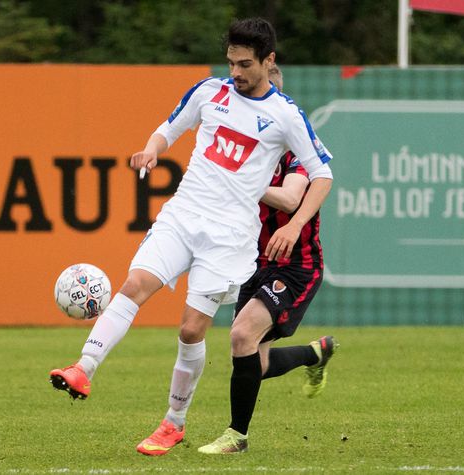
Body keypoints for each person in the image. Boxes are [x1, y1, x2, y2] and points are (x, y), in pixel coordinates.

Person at [48, 17, 334, 456]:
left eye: (244, 64)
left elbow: (322, 175)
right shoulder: (209, 92)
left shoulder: (285, 115)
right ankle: (83, 367)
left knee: (190, 330)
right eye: (231, 63)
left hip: (229, 238)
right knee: (134, 285)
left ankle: (173, 423)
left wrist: (295, 225)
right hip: (182, 215)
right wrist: (152, 149)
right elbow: (170, 128)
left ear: (268, 60)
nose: (235, 73)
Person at [197, 65, 336, 455]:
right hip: (254, 265)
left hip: (296, 266)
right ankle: (315, 353)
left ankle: (236, 437)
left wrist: (244, 182)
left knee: (241, 335)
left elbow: (292, 198)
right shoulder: (239, 151)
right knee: (252, 363)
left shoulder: (294, 150)